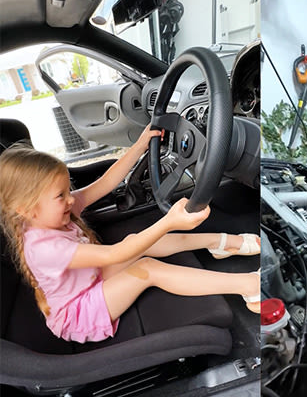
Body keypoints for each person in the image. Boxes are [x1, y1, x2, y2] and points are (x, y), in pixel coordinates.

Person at [0, 127, 260, 343]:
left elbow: (105, 183)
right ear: (24, 209)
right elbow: (116, 254)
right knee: (146, 268)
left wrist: (139, 145)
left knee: (134, 242)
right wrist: (168, 222)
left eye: (69, 191)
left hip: (90, 281)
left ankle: (217, 243)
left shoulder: (49, 214)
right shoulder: (44, 248)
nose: (71, 199)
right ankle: (247, 286)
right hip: (81, 313)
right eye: (61, 196)